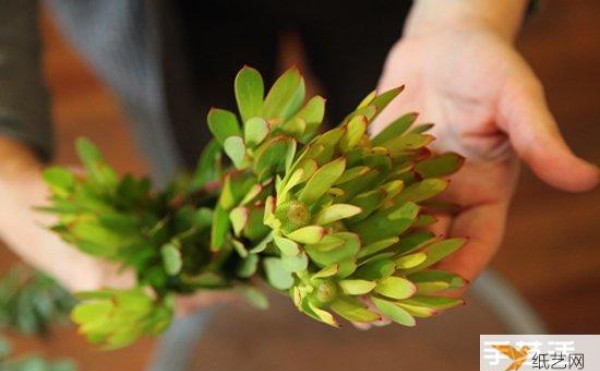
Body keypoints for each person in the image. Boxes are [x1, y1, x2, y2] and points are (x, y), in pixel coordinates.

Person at [0, 1, 597, 311]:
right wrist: (9, 178)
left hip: (395, 13)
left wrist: (465, 14)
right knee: (194, 163)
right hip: (157, 20)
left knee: (397, 131)